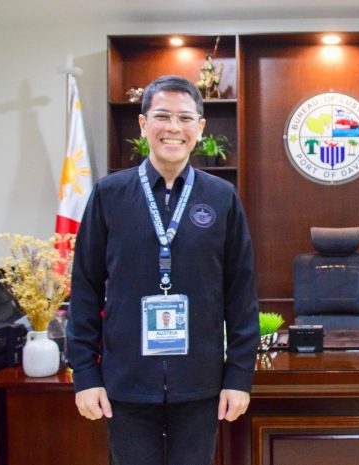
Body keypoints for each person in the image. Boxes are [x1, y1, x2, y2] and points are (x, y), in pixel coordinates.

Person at [67, 75, 259, 465]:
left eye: (186, 118)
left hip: (200, 385)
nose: (174, 128)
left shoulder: (222, 198)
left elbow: (241, 292)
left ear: (200, 128)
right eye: (163, 116)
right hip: (126, 384)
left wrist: (238, 378)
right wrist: (85, 375)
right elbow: (85, 287)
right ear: (143, 124)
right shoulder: (109, 194)